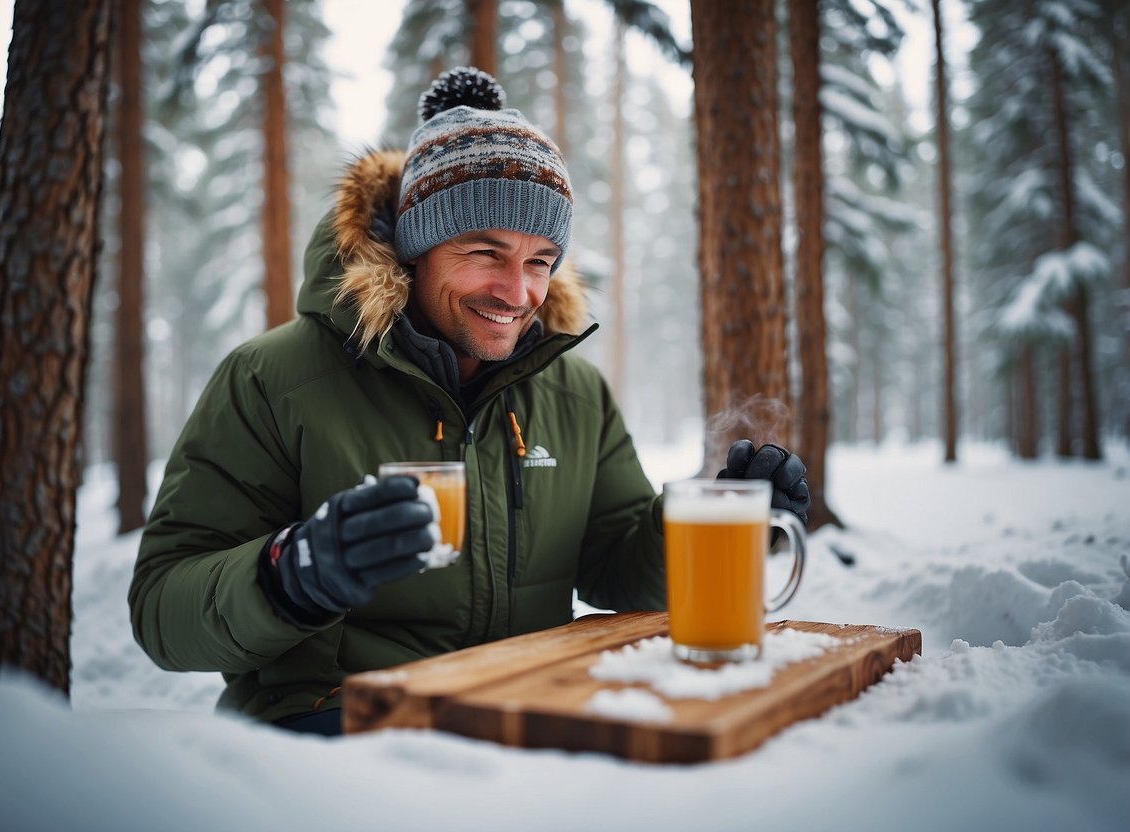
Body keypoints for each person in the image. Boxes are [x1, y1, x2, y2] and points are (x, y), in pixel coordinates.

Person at [129, 67, 810, 736]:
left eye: (540, 260)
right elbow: (163, 610)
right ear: (413, 250)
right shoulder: (272, 378)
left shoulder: (573, 392)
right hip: (337, 720)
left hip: (524, 706)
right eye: (485, 251)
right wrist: (292, 573)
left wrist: (721, 521)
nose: (516, 292)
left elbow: (617, 569)